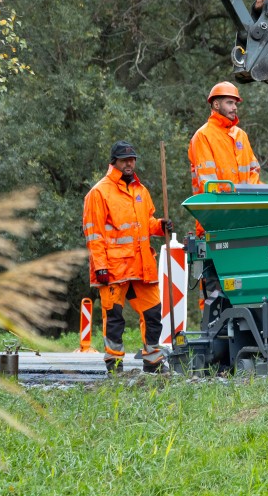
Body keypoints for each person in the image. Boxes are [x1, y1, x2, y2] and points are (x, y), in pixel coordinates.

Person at [83, 140, 173, 374]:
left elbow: (146, 223)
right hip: (113, 270)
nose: (129, 163)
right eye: (125, 160)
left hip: (142, 267)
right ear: (114, 162)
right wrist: (100, 266)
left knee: (153, 314)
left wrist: (159, 226)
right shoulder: (98, 193)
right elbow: (94, 234)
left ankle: (152, 360)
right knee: (114, 319)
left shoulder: (141, 191)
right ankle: (114, 364)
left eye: (132, 159)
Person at [188, 82, 263, 304]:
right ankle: (213, 332)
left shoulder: (241, 136)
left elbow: (253, 171)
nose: (235, 107)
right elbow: (208, 184)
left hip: (240, 223)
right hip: (214, 223)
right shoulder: (203, 136)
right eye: (230, 102)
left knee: (240, 287)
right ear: (216, 104)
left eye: (236, 103)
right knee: (214, 290)